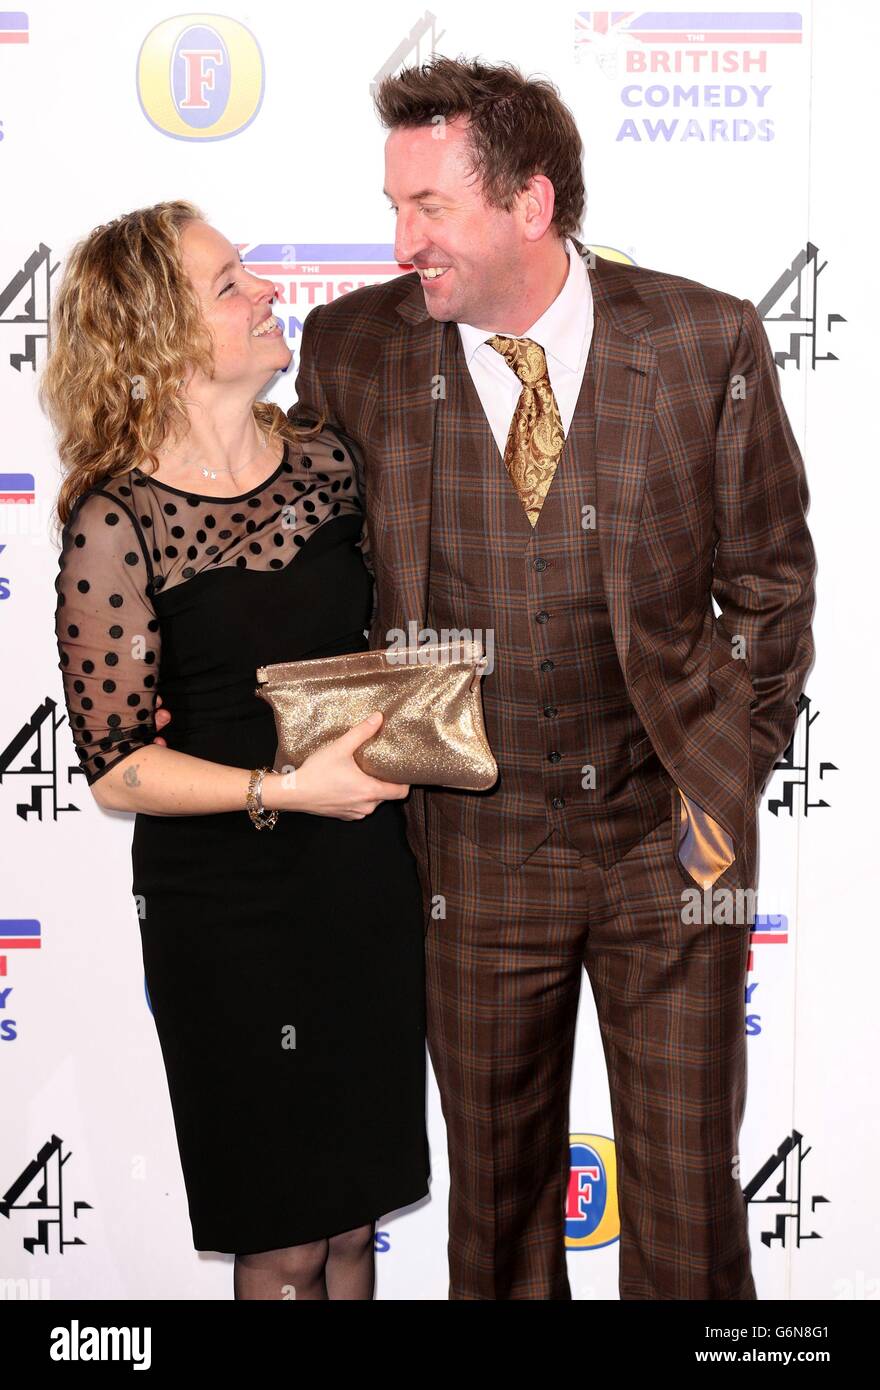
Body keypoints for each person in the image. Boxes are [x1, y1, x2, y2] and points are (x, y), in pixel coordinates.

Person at [156, 57, 817, 1301]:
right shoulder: (355, 348)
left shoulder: (700, 338)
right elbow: (274, 511)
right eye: (393, 206)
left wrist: (726, 773)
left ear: (530, 203)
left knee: (685, 1195)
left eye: (429, 208)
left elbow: (773, 585)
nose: (401, 241)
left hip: (672, 848)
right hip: (466, 849)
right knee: (498, 1211)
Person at [45, 201, 429, 1300]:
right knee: (282, 1243)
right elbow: (118, 761)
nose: (266, 292)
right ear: (155, 333)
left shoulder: (331, 467)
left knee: (353, 1227)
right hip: (226, 906)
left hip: (361, 879)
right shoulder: (113, 521)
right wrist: (283, 787)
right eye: (228, 283)